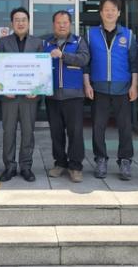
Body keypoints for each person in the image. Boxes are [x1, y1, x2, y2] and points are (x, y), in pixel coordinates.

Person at [83, 0, 138, 181]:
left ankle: (125, 160)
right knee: (98, 127)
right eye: (106, 9)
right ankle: (101, 159)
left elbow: (134, 63)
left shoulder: (128, 35)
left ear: (119, 13)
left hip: (123, 89)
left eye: (113, 10)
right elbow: (86, 63)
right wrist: (87, 84)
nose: (109, 13)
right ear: (100, 13)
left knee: (125, 127)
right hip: (99, 89)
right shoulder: (91, 34)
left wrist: (134, 86)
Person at [0, 7, 44, 182]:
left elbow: (41, 69)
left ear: (29, 22)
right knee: (8, 132)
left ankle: (26, 167)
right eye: (17, 20)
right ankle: (9, 166)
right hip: (9, 97)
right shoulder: (3, 42)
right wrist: (3, 89)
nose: (20, 23)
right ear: (12, 23)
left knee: (28, 132)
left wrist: (37, 88)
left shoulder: (37, 43)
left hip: (29, 97)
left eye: (24, 19)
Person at [44, 10, 90, 183]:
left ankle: (75, 166)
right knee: (56, 133)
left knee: (75, 133)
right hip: (52, 96)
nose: (61, 25)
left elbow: (84, 59)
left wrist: (63, 55)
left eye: (65, 22)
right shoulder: (46, 42)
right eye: (58, 22)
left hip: (74, 96)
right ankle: (60, 163)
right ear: (53, 24)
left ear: (70, 24)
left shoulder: (79, 41)